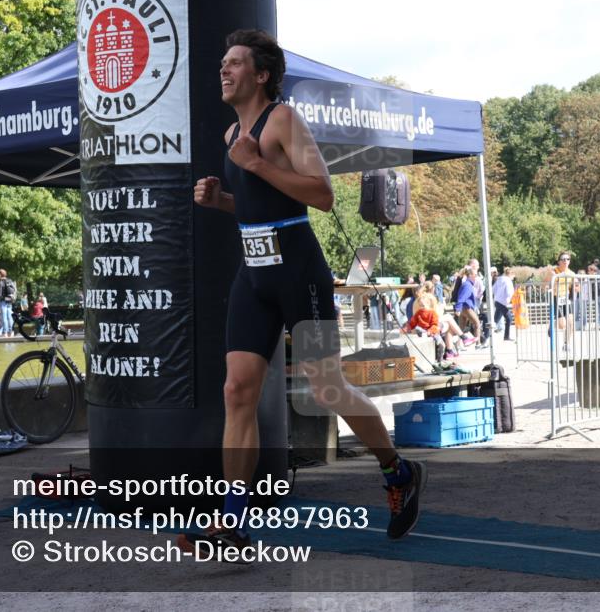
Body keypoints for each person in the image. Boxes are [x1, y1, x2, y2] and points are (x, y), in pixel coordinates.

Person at [182, 29, 424, 558]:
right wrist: (223, 200)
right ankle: (232, 524)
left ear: (261, 75)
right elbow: (256, 206)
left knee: (327, 390)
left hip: (298, 274)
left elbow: (322, 194)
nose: (223, 71)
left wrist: (257, 165)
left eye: (235, 63)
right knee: (236, 392)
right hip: (253, 276)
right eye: (222, 63)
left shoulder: (283, 120)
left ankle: (398, 470)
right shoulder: (231, 135)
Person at [492, 267, 515, 341]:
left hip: (497, 301)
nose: (513, 278)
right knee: (509, 318)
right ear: (511, 274)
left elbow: (493, 289)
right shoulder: (508, 281)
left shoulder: (499, 279)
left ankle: (485, 335)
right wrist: (509, 299)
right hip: (502, 302)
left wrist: (497, 296)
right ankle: (506, 336)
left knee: (495, 321)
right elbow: (509, 292)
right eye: (513, 276)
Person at [0, 269, 16, 338]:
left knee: (4, 317)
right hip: (10, 300)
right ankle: (11, 332)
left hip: (3, 301)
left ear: (0, 274)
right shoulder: (9, 281)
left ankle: (5, 333)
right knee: (9, 317)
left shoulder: (0, 282)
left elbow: (0, 294)